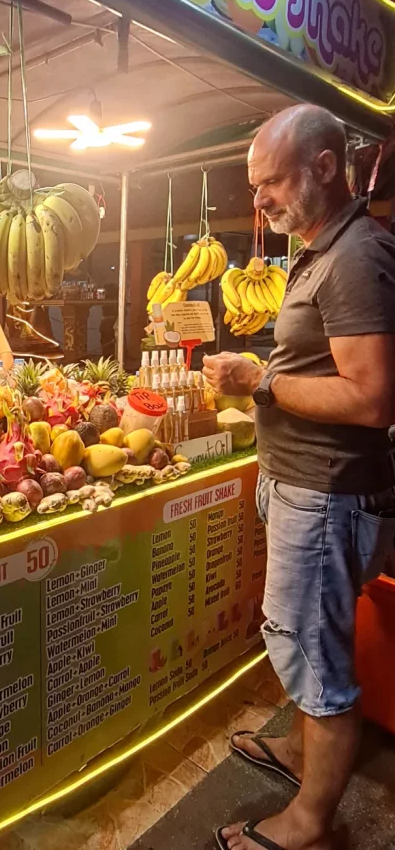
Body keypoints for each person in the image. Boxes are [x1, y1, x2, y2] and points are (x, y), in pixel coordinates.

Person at [203, 105, 395, 850]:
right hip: (307, 489)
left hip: (324, 494)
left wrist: (259, 381)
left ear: (324, 165)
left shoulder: (352, 258)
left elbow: (371, 396)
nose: (260, 201)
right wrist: (267, 375)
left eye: (272, 182)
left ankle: (309, 824)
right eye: (255, 187)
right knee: (302, 635)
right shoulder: (323, 248)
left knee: (315, 654)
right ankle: (299, 750)